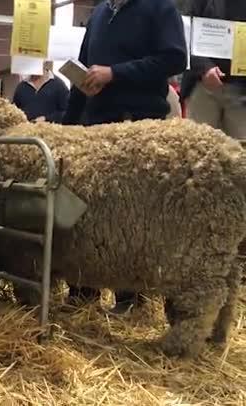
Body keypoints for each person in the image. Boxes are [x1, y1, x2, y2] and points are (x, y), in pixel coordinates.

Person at [61, 0, 188, 313]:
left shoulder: (160, 9)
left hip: (137, 126)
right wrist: (64, 128)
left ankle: (130, 298)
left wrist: (114, 74)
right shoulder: (100, 14)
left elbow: (174, 58)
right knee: (86, 213)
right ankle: (82, 289)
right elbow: (83, 68)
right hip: (96, 127)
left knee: (130, 216)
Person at [181, 0, 246, 139]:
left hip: (241, 94)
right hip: (202, 88)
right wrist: (205, 68)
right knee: (197, 149)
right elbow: (185, 34)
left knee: (241, 153)